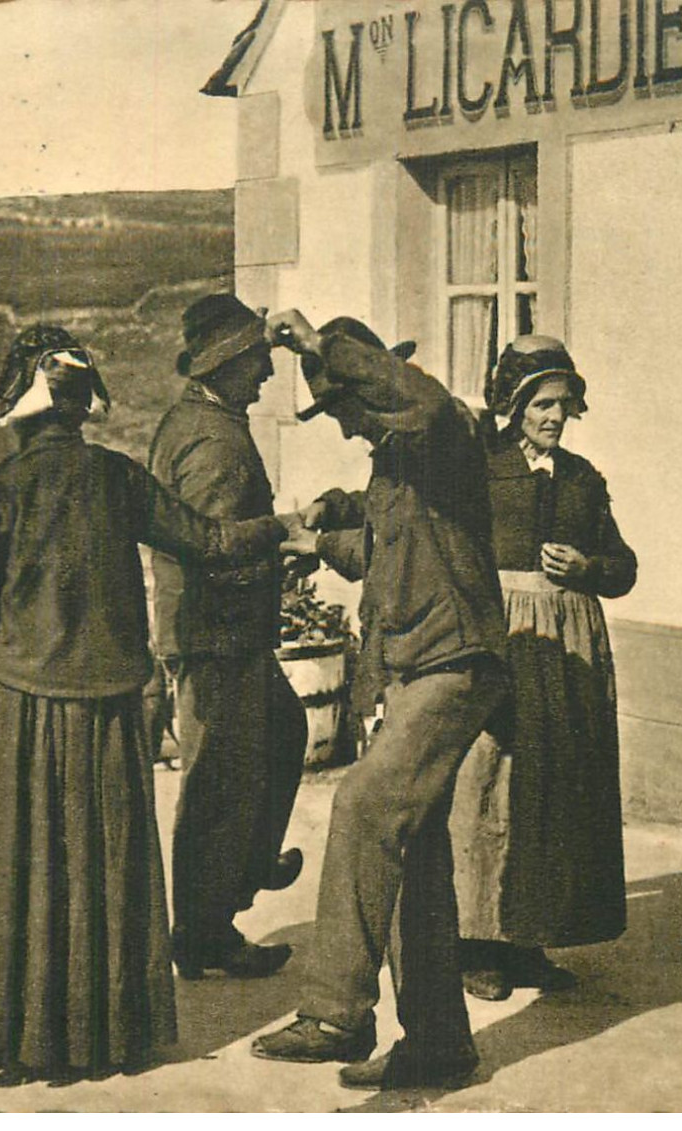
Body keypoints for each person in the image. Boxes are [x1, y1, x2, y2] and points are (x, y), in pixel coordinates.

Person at [0, 325, 288, 1078]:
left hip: (16, 710)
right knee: (98, 868)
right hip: (107, 714)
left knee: (12, 869)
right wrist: (290, 528)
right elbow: (214, 543)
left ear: (22, 407)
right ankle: (105, 1031)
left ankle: (4, 1030)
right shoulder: (119, 478)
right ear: (79, 405)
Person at [250, 313, 508, 1092]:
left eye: (346, 407)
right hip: (417, 662)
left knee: (363, 805)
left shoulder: (444, 433)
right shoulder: (396, 465)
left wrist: (315, 345)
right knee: (411, 852)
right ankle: (437, 1042)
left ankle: (337, 1009)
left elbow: (420, 404)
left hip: (455, 662)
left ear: (372, 379)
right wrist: (322, 538)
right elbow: (388, 553)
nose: (348, 424)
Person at [449, 335, 637, 1002]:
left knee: (555, 787)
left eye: (563, 403)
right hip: (502, 638)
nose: (554, 416)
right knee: (490, 784)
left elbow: (623, 566)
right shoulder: (479, 470)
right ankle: (479, 943)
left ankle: (532, 937)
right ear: (512, 405)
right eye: (540, 404)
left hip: (573, 648)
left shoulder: (584, 480)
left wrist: (590, 569)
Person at [147, 293, 308, 980]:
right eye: (258, 363)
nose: (267, 376)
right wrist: (285, 537)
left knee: (283, 733)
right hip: (218, 638)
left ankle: (243, 868)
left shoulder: (198, 417)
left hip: (224, 633)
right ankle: (204, 931)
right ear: (228, 365)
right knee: (216, 785)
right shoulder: (214, 441)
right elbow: (211, 546)